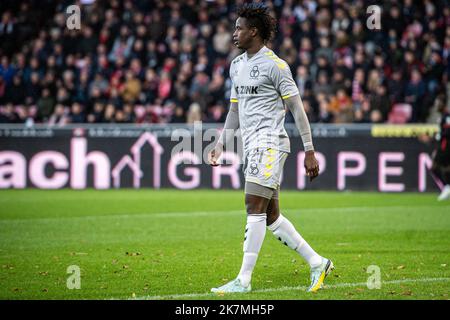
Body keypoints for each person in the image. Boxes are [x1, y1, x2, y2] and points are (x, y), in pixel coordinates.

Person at [207, 3, 333, 294]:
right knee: (272, 216)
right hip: (251, 146)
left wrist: (310, 150)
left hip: (271, 144)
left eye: (239, 28)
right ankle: (318, 262)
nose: (234, 33)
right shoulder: (237, 66)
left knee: (253, 205)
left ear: (254, 31)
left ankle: (244, 280)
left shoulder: (276, 66)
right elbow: (234, 111)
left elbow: (297, 110)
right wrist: (221, 143)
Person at [431, 97, 450, 201]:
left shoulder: (447, 116)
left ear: (443, 104)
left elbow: (447, 132)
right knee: (446, 168)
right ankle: (447, 187)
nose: (436, 106)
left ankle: (447, 187)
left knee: (434, 167)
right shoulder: (443, 116)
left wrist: (438, 135)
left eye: (437, 103)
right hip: (444, 145)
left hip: (446, 147)